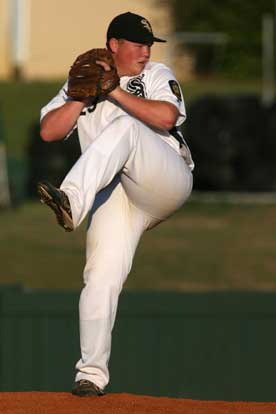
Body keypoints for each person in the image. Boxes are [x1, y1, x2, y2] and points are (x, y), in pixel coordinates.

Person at [37, 11, 194, 397]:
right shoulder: (81, 80)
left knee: (125, 126)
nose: (145, 51)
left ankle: (72, 200)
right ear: (114, 45)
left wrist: (115, 93)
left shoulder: (156, 74)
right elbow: (49, 131)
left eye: (147, 45)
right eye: (138, 44)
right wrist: (80, 98)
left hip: (163, 177)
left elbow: (166, 116)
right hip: (113, 193)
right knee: (100, 276)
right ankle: (90, 375)